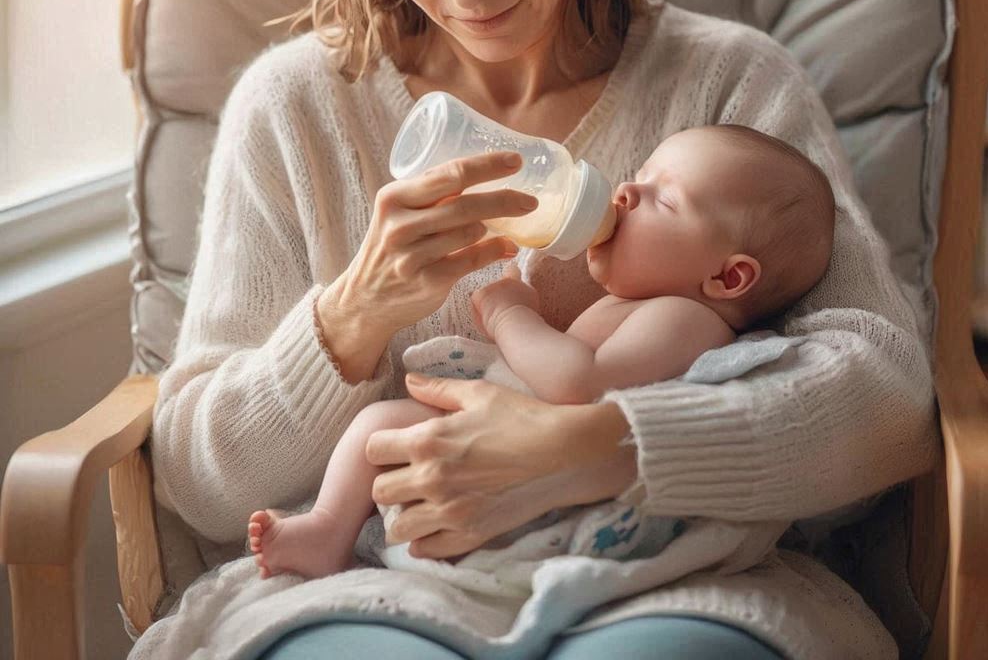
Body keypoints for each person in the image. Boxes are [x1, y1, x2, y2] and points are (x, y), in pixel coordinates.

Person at [130, 0, 938, 660]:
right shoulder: (296, 109)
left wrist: (597, 446)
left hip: (667, 582)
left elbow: (886, 402)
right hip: (375, 587)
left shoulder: (729, 88)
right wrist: (347, 320)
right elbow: (199, 479)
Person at [247, 124, 836, 581]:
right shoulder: (645, 301)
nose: (628, 191)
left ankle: (336, 532)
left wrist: (511, 316)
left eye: (665, 199)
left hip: (554, 482)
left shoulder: (685, 320)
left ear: (729, 279)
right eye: (641, 175)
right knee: (378, 425)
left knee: (383, 426)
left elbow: (580, 383)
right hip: (505, 447)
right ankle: (327, 528)